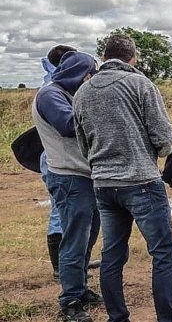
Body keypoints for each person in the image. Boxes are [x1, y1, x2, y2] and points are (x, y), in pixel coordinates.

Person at [73, 35, 172, 322]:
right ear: (132, 57)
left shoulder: (82, 92)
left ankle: (117, 317)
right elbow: (163, 138)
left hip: (104, 184)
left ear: (105, 56)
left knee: (112, 254)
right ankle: (167, 318)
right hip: (141, 181)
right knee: (164, 253)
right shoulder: (140, 85)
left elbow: (83, 145)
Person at [33, 51, 102, 322]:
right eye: (89, 73)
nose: (91, 78)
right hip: (69, 175)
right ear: (78, 73)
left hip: (84, 174)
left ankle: (80, 288)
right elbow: (67, 125)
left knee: (88, 236)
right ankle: (70, 299)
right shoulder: (51, 95)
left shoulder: (65, 92)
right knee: (74, 239)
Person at [40, 45, 76, 279]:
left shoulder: (54, 86)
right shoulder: (52, 91)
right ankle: (60, 266)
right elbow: (68, 125)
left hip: (57, 157)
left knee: (65, 212)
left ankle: (67, 262)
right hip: (58, 160)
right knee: (60, 212)